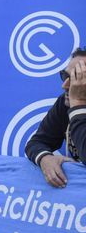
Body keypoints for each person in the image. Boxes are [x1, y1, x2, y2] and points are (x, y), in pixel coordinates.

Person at [25, 47, 86, 188]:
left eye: (77, 78)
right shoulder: (65, 102)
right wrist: (45, 158)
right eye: (65, 76)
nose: (64, 85)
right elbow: (37, 142)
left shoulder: (74, 100)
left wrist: (79, 103)